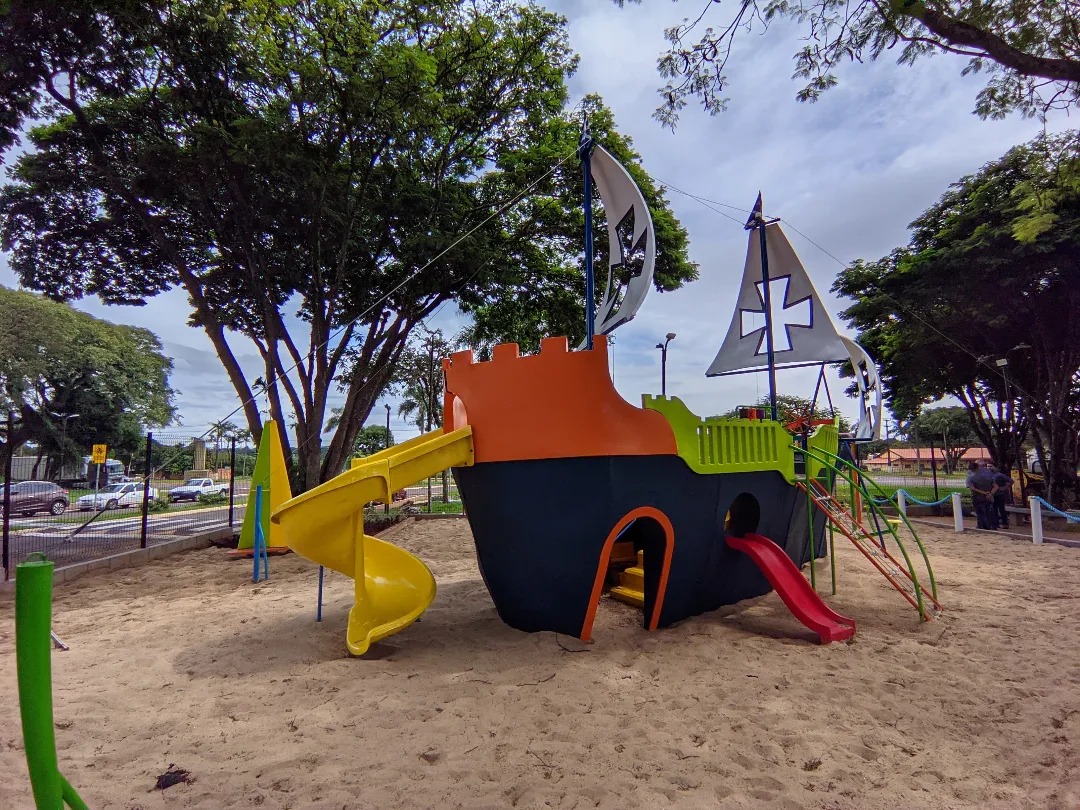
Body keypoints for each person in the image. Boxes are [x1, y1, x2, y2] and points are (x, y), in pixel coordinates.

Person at [966, 460, 998, 530]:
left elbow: (972, 488)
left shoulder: (971, 477)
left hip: (977, 496)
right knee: (990, 511)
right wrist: (990, 493)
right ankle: (993, 526)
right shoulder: (988, 475)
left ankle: (984, 527)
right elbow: (996, 486)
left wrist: (983, 492)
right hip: (989, 495)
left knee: (980, 512)